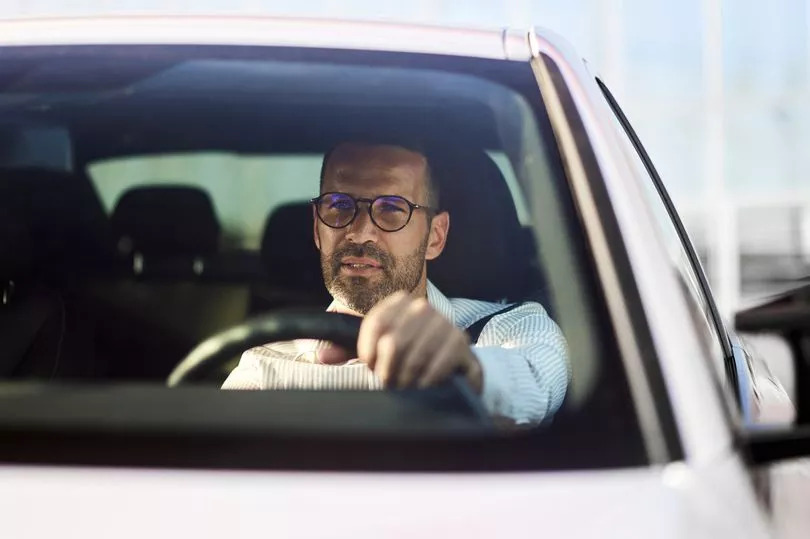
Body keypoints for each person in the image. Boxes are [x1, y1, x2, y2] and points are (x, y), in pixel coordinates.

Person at [223, 142, 570, 425]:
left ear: (435, 236)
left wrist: (464, 370)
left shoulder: (507, 328)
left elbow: (537, 385)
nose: (359, 232)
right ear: (317, 228)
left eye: (391, 208)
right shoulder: (265, 364)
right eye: (340, 205)